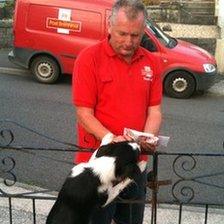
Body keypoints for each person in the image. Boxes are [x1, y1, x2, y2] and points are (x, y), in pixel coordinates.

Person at [72, 0, 162, 223]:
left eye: (136, 35)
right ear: (109, 26)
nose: (129, 41)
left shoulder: (151, 61)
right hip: (98, 164)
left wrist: (146, 138)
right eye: (122, 33)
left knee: (131, 221)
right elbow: (84, 113)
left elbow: (155, 110)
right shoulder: (88, 58)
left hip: (135, 163)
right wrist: (111, 140)